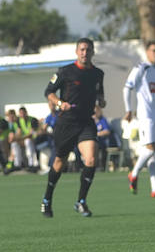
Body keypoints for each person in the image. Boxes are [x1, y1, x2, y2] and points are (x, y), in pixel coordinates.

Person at [40, 38, 106, 218]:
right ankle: (47, 199)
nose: (85, 53)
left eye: (88, 50)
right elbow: (49, 92)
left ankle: (81, 201)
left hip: (86, 122)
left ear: (93, 52)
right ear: (77, 52)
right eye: (82, 49)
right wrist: (59, 103)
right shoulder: (65, 71)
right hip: (66, 123)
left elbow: (100, 93)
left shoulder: (98, 74)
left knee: (91, 159)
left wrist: (101, 101)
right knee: (59, 163)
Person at [124, 41, 155, 198]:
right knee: (150, 149)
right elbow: (127, 88)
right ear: (147, 52)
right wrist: (128, 109)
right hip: (146, 115)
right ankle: (134, 173)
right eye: (154, 50)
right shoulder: (141, 68)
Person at [15, 107, 41, 172]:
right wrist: (16, 139)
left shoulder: (32, 120)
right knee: (14, 144)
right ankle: (17, 164)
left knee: (28, 141)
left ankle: (31, 164)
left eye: (23, 113)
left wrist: (21, 138)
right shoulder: (19, 121)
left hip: (36, 139)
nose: (22, 115)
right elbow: (18, 132)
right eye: (21, 113)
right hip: (25, 139)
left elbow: (31, 134)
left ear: (26, 113)